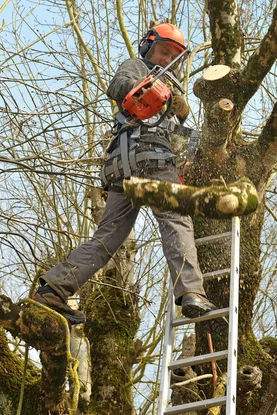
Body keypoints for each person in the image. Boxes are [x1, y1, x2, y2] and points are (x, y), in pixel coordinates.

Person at [33, 23, 226, 332]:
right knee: (176, 216)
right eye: (163, 51)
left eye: (173, 56)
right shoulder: (139, 67)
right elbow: (120, 84)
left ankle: (53, 289)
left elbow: (179, 138)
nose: (166, 59)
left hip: (124, 164)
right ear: (149, 46)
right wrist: (147, 88)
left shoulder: (174, 86)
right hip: (148, 155)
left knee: (109, 238)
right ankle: (191, 291)